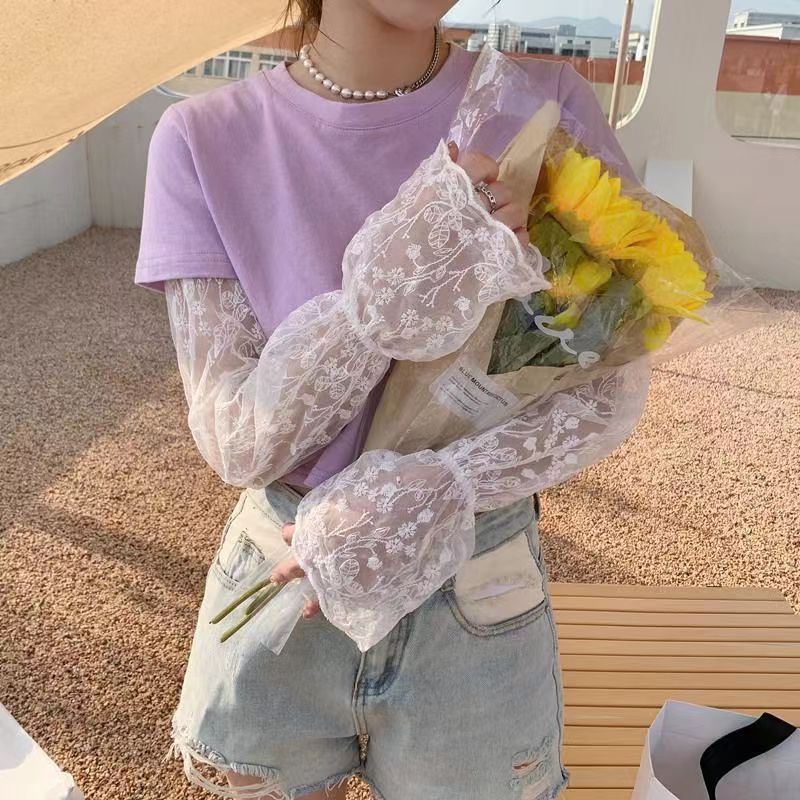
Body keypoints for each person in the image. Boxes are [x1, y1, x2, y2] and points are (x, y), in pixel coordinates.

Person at [134, 2, 651, 799]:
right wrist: (381, 298)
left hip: (475, 576)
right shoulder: (203, 136)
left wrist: (448, 484)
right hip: (283, 576)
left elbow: (607, 382)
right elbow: (237, 438)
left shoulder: (543, 103)